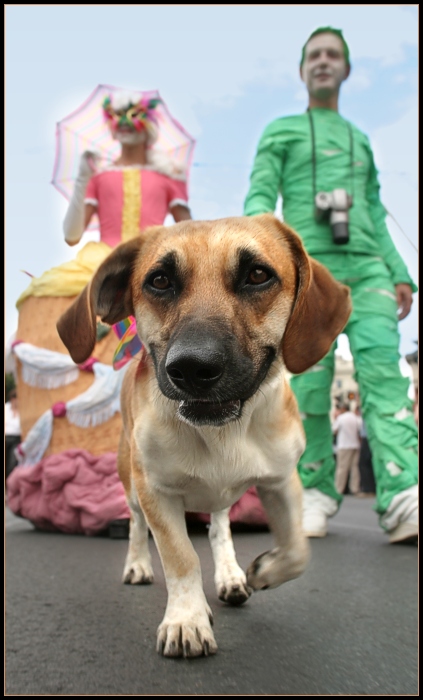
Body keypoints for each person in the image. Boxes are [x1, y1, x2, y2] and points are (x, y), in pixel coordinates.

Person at [244, 27, 418, 543]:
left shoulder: (361, 139)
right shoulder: (280, 131)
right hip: (309, 275)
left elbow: (374, 211)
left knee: (386, 379)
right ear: (303, 70)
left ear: (345, 69)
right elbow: (260, 194)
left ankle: (404, 494)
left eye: (333, 56)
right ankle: (314, 492)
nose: (323, 62)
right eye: (315, 55)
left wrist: (400, 271)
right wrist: (255, 253)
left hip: (368, 271)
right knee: (310, 385)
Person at [332, 402, 362, 496]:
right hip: (355, 445)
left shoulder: (341, 418)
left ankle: (339, 489)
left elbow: (334, 430)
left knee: (342, 468)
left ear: (343, 409)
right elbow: (359, 431)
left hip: (344, 445)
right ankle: (355, 488)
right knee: (355, 468)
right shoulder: (355, 417)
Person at [5, 389, 21, 481]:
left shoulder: (23, 410)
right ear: (12, 399)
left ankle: (10, 486)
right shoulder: (6, 408)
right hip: (5, 437)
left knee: (12, 464)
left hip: (16, 439)